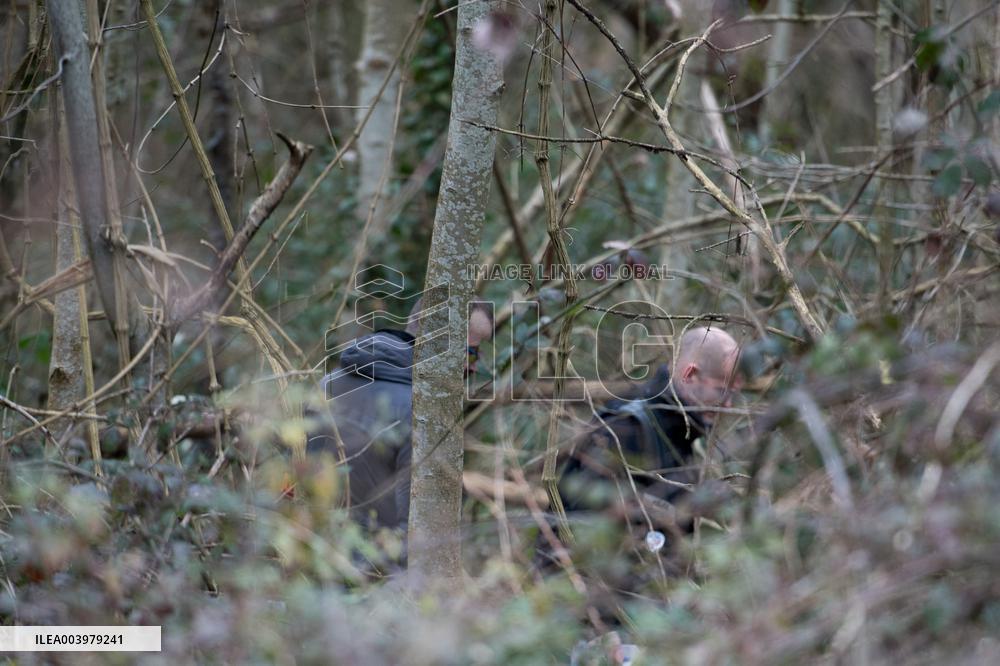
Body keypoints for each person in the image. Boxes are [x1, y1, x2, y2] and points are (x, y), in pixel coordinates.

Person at [307, 297, 494, 531]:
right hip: (376, 563)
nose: (474, 366)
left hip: (309, 552)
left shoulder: (328, 382)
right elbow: (419, 533)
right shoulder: (424, 414)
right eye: (472, 352)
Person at [558, 326, 743, 529]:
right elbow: (582, 523)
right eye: (721, 391)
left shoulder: (684, 428)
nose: (728, 405)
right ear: (689, 375)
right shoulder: (627, 425)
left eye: (732, 394)